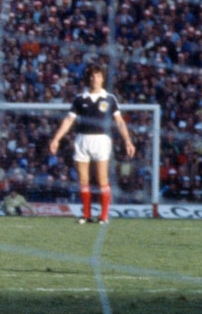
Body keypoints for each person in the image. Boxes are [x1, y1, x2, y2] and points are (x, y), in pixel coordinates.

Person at [47, 64, 137, 224]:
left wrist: (128, 141)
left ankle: (104, 216)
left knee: (102, 178)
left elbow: (120, 122)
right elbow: (69, 120)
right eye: (92, 76)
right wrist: (56, 138)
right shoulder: (80, 99)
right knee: (83, 179)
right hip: (83, 139)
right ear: (89, 78)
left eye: (98, 76)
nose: (95, 79)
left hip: (101, 140)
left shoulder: (109, 98)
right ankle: (86, 215)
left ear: (102, 78)